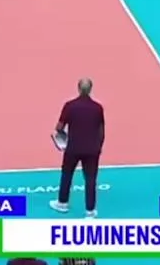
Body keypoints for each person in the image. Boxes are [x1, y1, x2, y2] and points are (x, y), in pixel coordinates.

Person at [50, 78, 105, 217]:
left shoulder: (70, 106)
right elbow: (101, 130)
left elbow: (59, 127)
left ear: (78, 89)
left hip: (73, 148)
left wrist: (62, 137)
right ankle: (90, 211)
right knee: (90, 179)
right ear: (90, 89)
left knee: (67, 174)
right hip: (92, 149)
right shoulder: (98, 108)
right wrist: (99, 146)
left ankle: (62, 203)